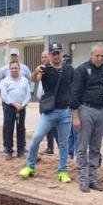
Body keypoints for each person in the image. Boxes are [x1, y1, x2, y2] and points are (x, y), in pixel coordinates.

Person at [20, 42, 74, 183]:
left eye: (58, 52)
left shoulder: (69, 69)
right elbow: (33, 80)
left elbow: (73, 88)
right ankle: (30, 167)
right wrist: (36, 71)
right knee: (37, 138)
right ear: (49, 55)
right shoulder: (44, 69)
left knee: (63, 144)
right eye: (53, 53)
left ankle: (63, 171)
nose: (56, 55)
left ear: (62, 53)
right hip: (49, 112)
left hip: (65, 112)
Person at [70, 44, 103, 193]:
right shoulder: (82, 70)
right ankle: (83, 180)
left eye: (102, 56)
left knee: (96, 147)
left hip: (101, 111)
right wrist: (75, 117)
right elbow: (74, 94)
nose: (100, 58)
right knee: (83, 147)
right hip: (86, 110)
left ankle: (93, 179)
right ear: (91, 55)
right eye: (97, 55)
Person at [0, 60, 30, 159]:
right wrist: (14, 104)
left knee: (21, 129)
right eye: (12, 68)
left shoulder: (24, 80)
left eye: (16, 68)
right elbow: (4, 95)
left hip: (21, 108)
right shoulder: (5, 81)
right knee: (9, 129)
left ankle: (21, 151)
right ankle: (9, 151)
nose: (14, 70)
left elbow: (28, 94)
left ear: (19, 69)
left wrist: (23, 104)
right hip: (10, 107)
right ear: (9, 70)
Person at [36, 50, 57, 156]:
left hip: (51, 102)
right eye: (42, 57)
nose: (44, 59)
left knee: (54, 127)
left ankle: (60, 149)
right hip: (43, 102)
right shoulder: (41, 70)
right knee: (47, 126)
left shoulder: (52, 70)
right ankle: (50, 147)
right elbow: (35, 79)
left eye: (45, 57)